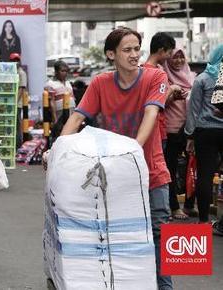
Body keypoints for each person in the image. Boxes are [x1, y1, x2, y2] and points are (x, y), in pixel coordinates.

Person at [58, 27, 172, 290]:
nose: (134, 55)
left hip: (152, 173)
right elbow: (76, 118)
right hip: (115, 177)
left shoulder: (156, 77)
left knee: (161, 236)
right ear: (111, 54)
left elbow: (151, 114)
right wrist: (59, 150)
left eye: (137, 49)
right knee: (118, 239)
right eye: (127, 50)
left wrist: (131, 151)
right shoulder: (100, 83)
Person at [184, 45, 223, 224]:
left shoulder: (203, 78)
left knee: (205, 175)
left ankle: (204, 220)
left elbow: (193, 110)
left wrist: (190, 135)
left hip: (205, 132)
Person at [161, 47, 196, 220]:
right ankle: (174, 207)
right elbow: (160, 103)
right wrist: (172, 95)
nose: (179, 61)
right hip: (172, 129)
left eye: (182, 58)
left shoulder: (192, 76)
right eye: (175, 58)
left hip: (190, 129)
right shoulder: (165, 78)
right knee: (171, 169)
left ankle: (189, 205)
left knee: (192, 168)